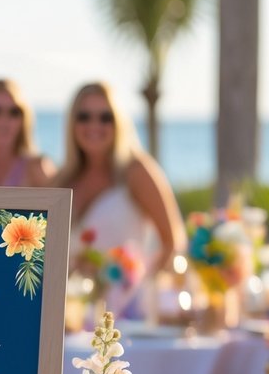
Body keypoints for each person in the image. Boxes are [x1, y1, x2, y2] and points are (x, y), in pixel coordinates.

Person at [58, 82, 185, 277]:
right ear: (72, 123)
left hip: (127, 306)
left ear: (118, 122)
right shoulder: (63, 180)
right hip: (71, 305)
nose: (94, 125)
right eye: (84, 117)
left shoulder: (136, 171)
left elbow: (173, 242)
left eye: (105, 117)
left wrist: (138, 290)